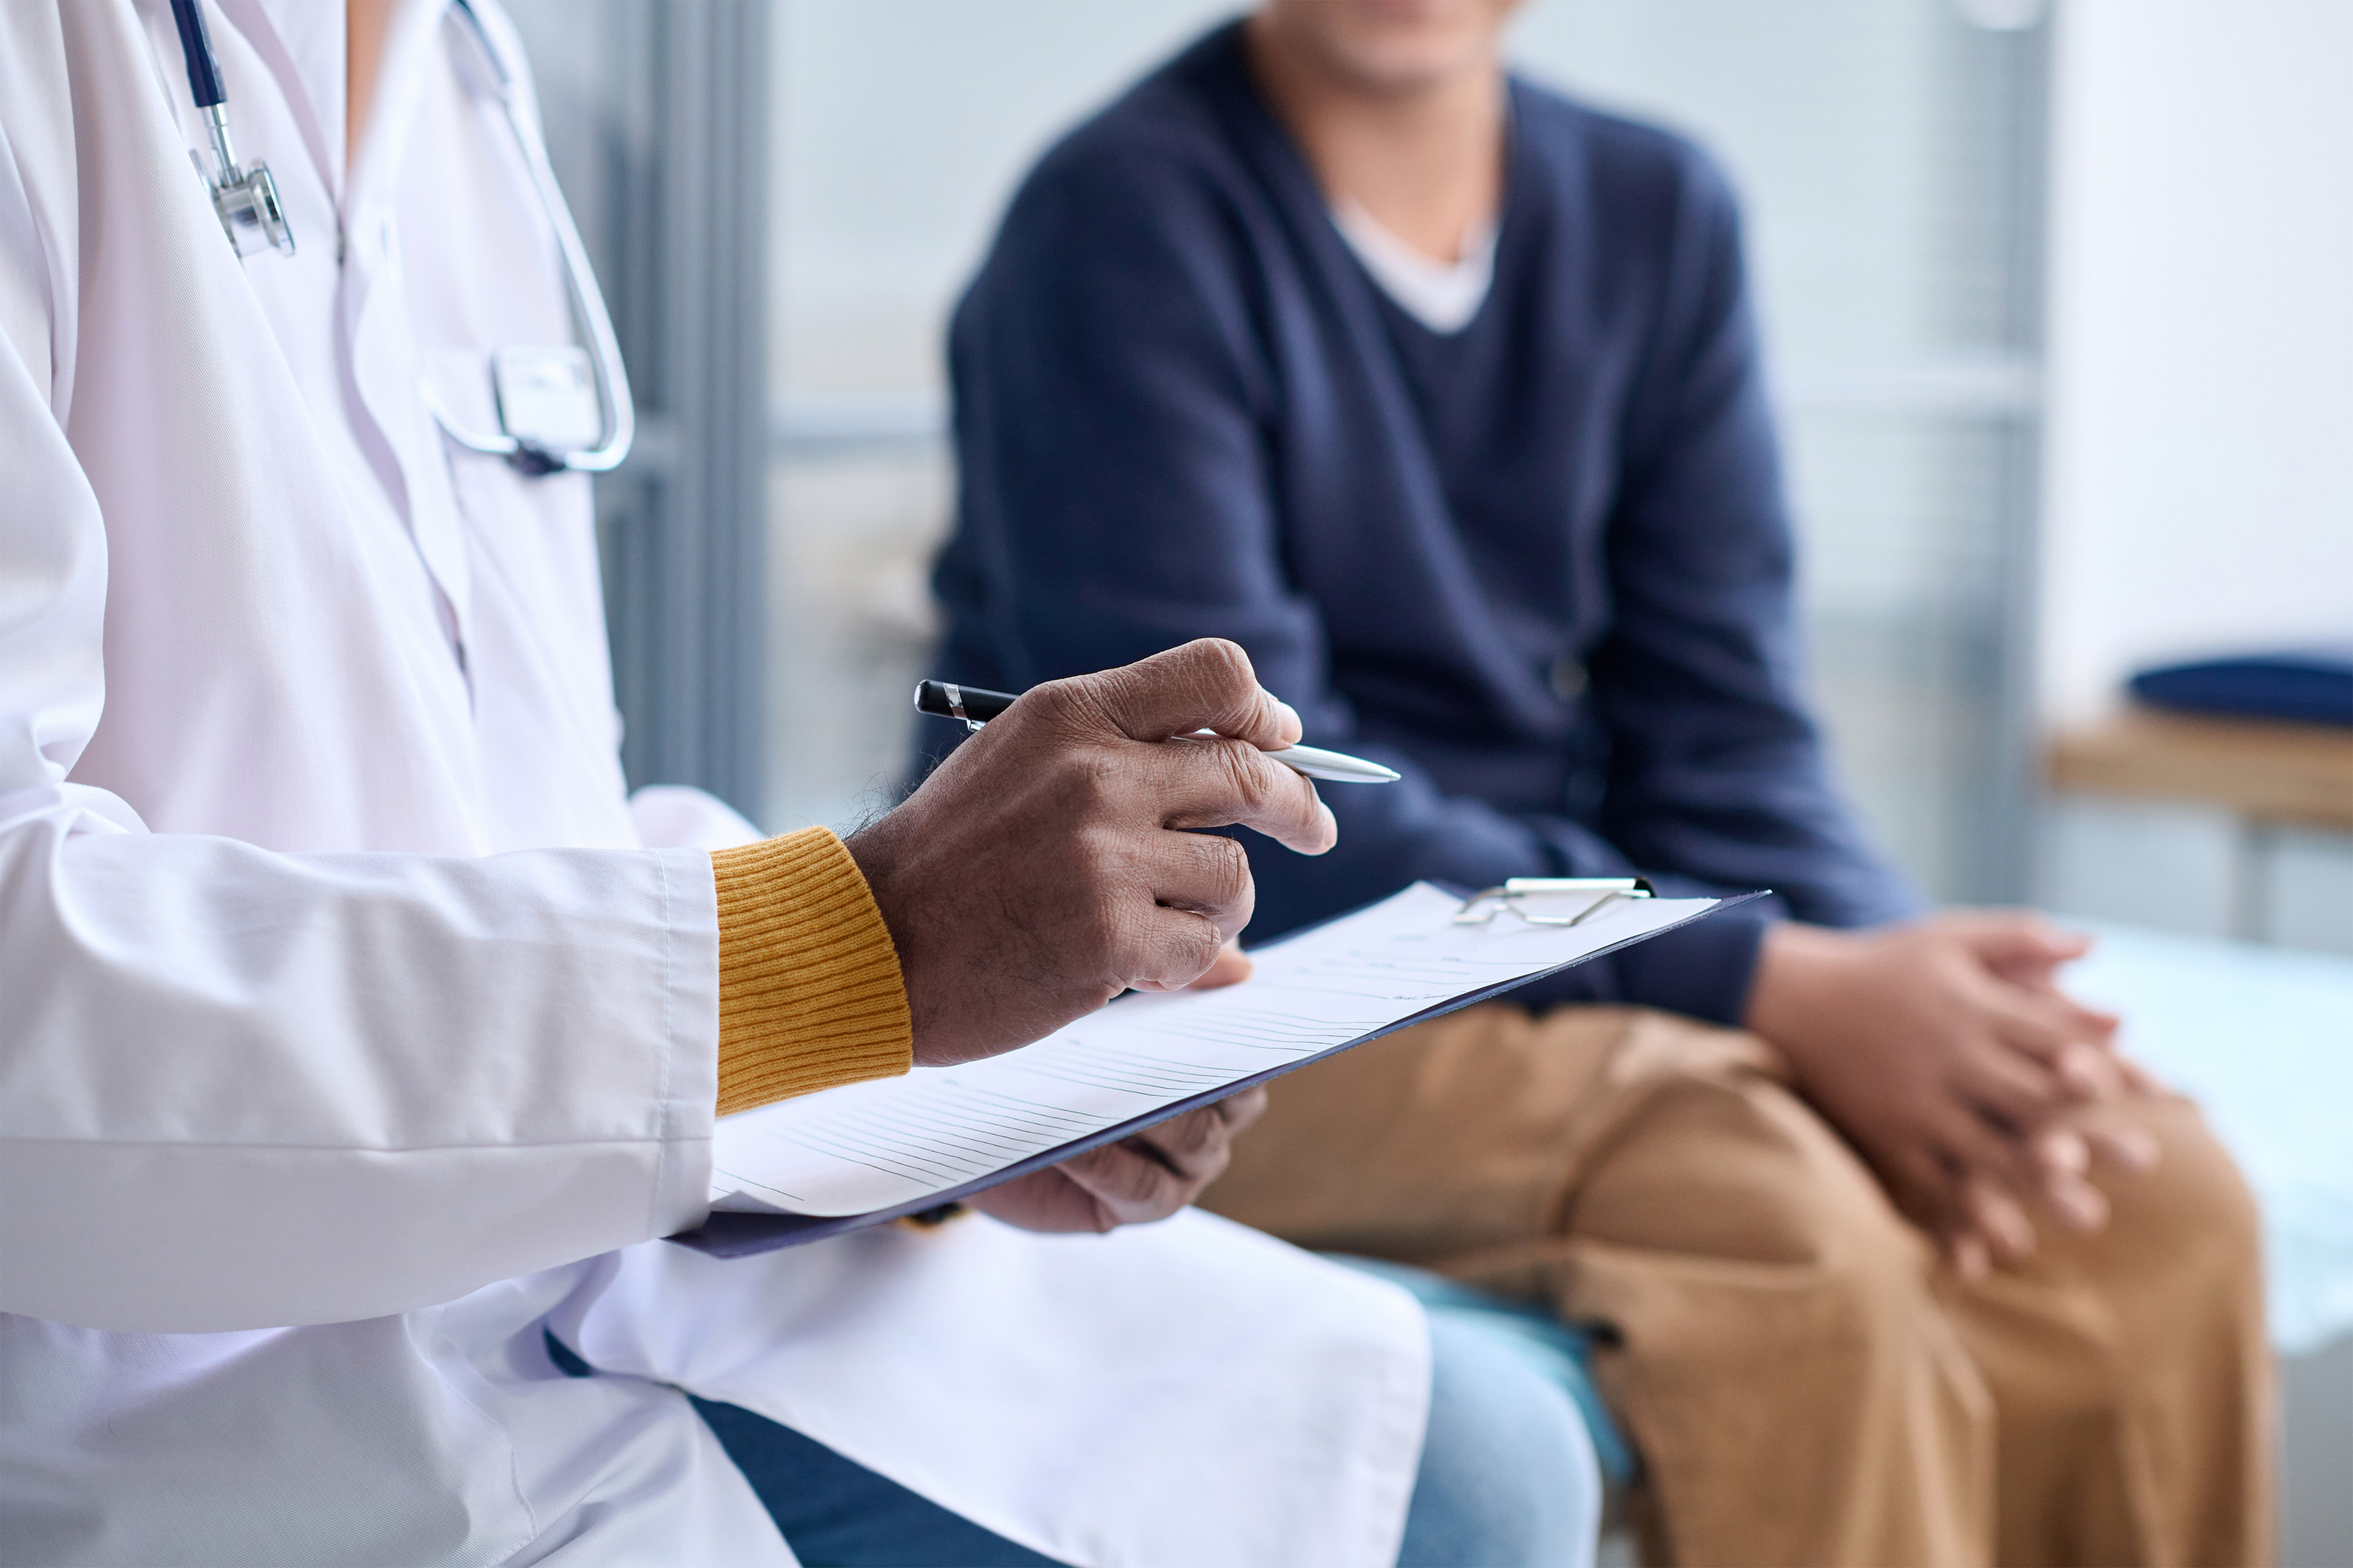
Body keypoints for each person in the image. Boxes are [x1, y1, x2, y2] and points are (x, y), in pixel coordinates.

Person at [0, 2, 1603, 1564]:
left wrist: (949, 1060)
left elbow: (505, 827)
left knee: (1482, 1457)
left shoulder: (460, 68)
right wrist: (861, 948)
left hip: (582, 1263)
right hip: (180, 1404)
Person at [929, 1, 2277, 1563]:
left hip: (1551, 948)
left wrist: (1910, 1001)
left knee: (2146, 1187)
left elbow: (1730, 734)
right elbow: (1238, 808)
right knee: (1760, 1199)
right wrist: (1767, 980)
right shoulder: (1118, 221)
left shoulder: (1655, 211)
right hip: (1227, 983)